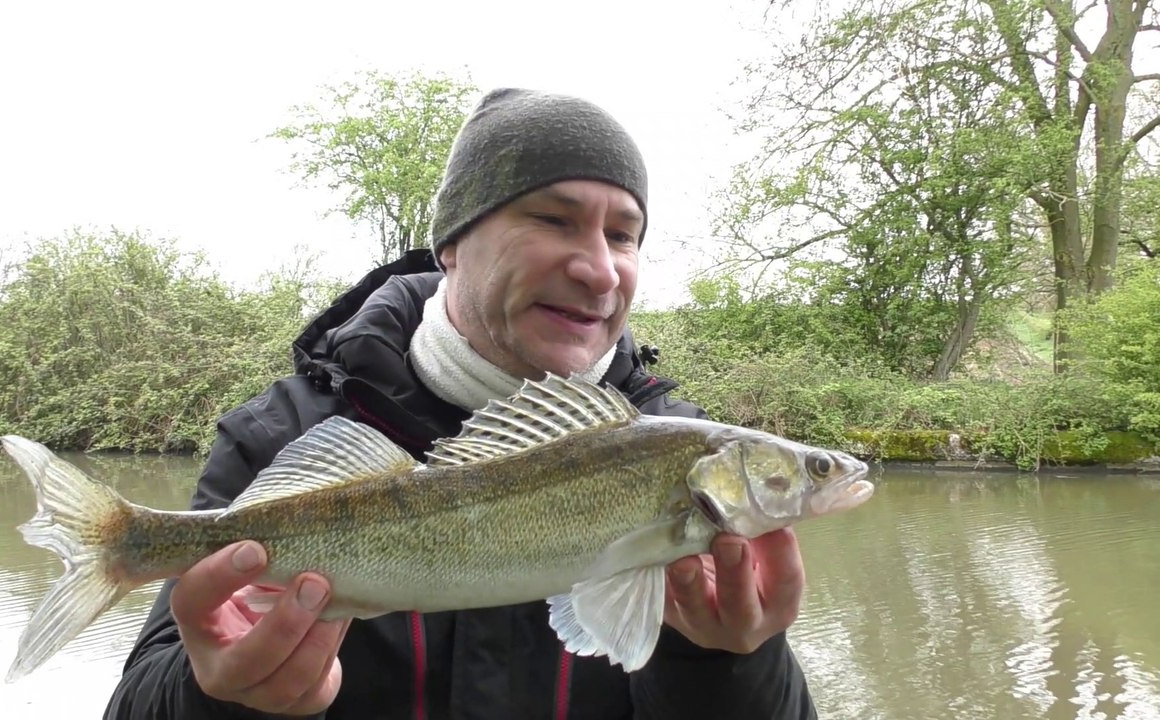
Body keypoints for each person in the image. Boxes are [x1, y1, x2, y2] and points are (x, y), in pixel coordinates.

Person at [103, 87, 817, 720]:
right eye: (553, 219)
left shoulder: (682, 450)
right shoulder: (283, 434)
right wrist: (224, 700)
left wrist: (726, 659)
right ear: (451, 244)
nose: (598, 268)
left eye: (623, 235)